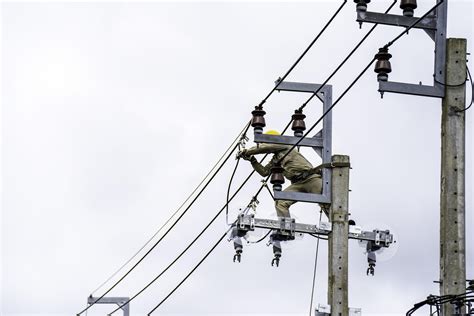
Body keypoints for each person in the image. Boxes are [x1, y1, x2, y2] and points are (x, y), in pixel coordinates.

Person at [240, 130, 323, 218]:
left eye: (265, 141)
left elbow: (265, 148)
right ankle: (286, 227)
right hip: (297, 184)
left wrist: (247, 151)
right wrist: (252, 160)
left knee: (325, 202)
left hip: (311, 178)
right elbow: (264, 172)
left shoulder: (284, 144)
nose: (264, 144)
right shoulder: (276, 159)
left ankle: (336, 226)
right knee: (280, 202)